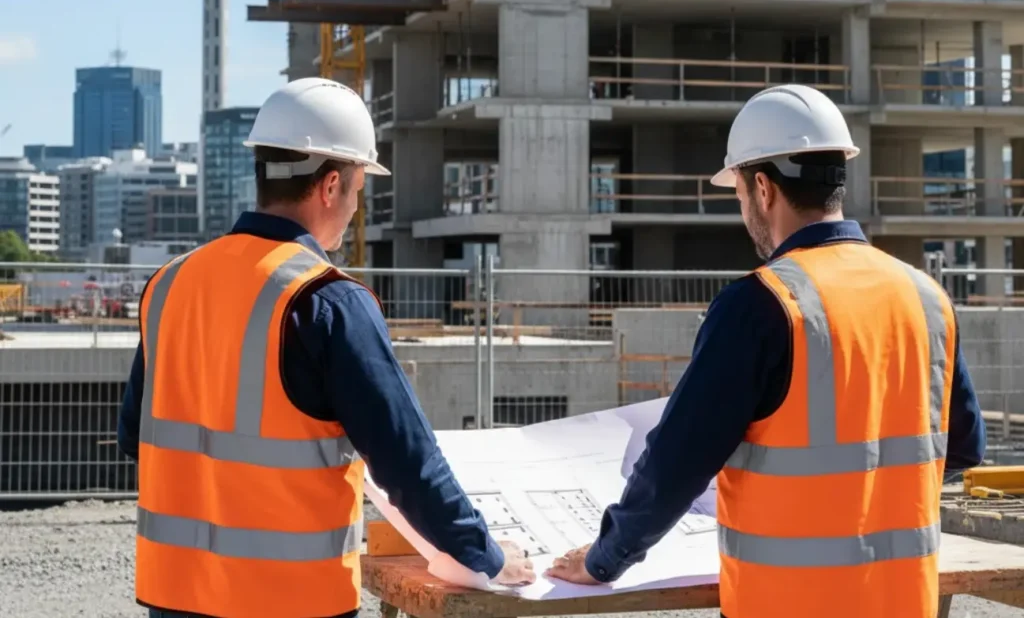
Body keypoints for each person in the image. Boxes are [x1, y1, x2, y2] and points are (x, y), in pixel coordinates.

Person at [546, 84, 986, 617]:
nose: (742, 209)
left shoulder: (761, 305)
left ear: (762, 187)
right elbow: (962, 447)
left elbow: (675, 464)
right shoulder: (926, 297)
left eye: (738, 193)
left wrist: (604, 558)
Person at [117, 77, 535, 618]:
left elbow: (139, 436)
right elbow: (408, 463)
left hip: (177, 596)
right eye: (359, 189)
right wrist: (486, 556)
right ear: (331, 185)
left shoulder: (169, 284)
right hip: (290, 603)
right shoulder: (327, 300)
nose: (356, 207)